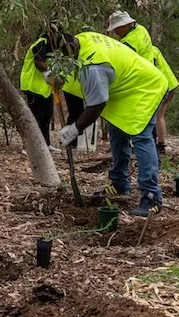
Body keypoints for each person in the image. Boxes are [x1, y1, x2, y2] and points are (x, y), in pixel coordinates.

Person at [50, 29, 168, 217]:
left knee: (141, 138)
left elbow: (96, 105)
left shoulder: (93, 67)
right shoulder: (81, 40)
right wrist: (58, 77)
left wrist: (75, 129)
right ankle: (120, 183)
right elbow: (76, 79)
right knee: (117, 133)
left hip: (144, 89)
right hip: (123, 90)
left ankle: (151, 196)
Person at [107, 11, 179, 154]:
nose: (115, 31)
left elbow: (123, 66)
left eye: (117, 27)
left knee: (152, 117)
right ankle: (156, 146)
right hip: (162, 82)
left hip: (150, 84)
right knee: (154, 116)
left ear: (125, 25)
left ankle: (157, 146)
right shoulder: (141, 29)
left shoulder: (128, 43)